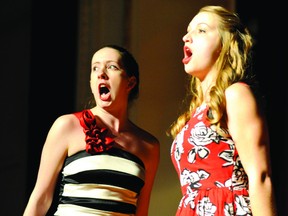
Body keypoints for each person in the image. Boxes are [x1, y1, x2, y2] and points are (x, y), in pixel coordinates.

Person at [23, 44, 160, 216]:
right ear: (91, 81)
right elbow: (40, 199)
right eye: (95, 68)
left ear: (130, 82)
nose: (101, 73)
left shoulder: (149, 146)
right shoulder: (67, 125)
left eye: (111, 66)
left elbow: (141, 212)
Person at [167, 5, 277, 216]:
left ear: (225, 44)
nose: (186, 38)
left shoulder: (236, 95)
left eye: (201, 30)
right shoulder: (197, 112)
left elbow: (260, 177)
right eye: (188, 30)